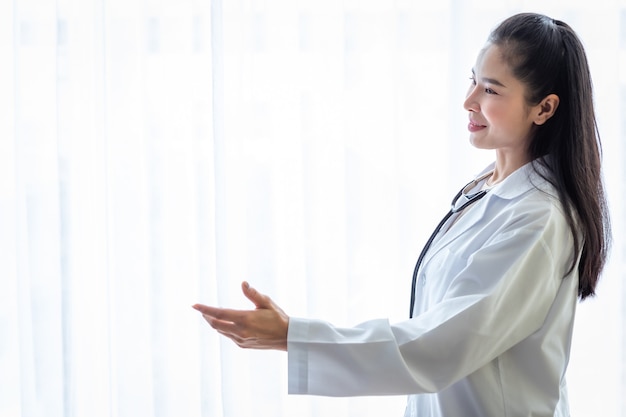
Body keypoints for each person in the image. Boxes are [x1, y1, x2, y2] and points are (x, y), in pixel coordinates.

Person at [192, 12, 611, 417]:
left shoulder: (539, 218)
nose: (468, 101)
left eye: (491, 90)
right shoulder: (486, 190)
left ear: (544, 108)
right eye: (472, 80)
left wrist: (294, 337)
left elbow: (442, 345)